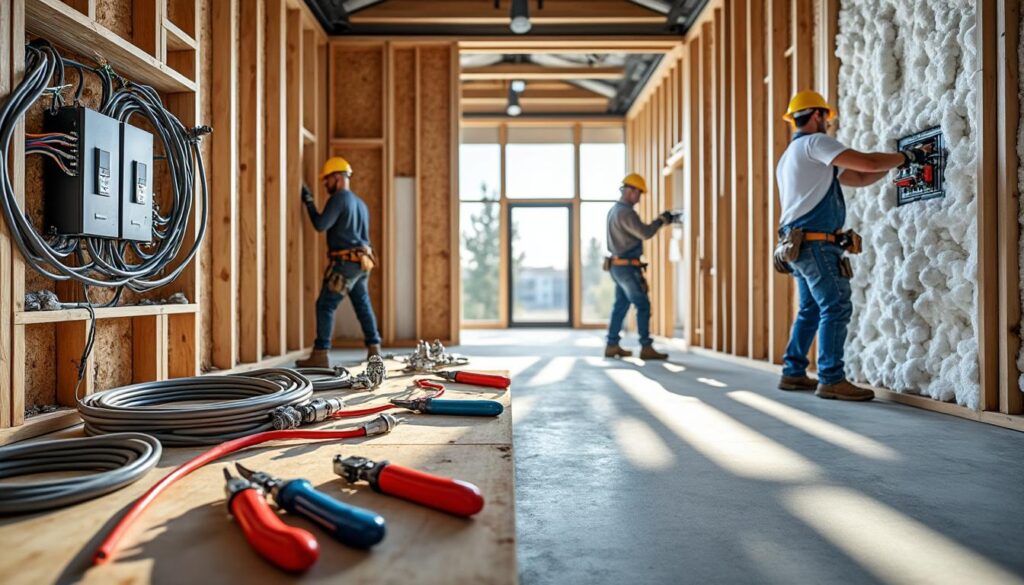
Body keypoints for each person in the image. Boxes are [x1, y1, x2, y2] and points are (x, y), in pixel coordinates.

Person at [775, 90, 929, 400]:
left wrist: (896, 164)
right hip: (815, 245)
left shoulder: (792, 155)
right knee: (836, 305)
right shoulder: (815, 143)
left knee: (811, 309)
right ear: (817, 115)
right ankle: (831, 378)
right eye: (827, 119)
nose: (828, 124)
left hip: (798, 245)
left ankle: (793, 372)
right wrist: (910, 156)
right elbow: (867, 162)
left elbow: (859, 177)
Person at [295, 156, 381, 367]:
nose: (325, 183)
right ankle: (374, 349)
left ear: (339, 177)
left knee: (325, 304)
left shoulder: (339, 199)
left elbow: (321, 224)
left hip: (345, 264)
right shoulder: (360, 204)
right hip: (362, 263)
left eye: (328, 178)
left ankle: (320, 353)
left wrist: (309, 202)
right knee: (362, 304)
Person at [604, 173, 674, 360]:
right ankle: (646, 347)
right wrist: (661, 220)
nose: (639, 198)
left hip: (617, 266)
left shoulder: (614, 210)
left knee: (621, 305)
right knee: (643, 305)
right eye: (639, 193)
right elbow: (645, 233)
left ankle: (612, 345)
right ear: (631, 191)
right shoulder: (626, 212)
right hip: (627, 267)